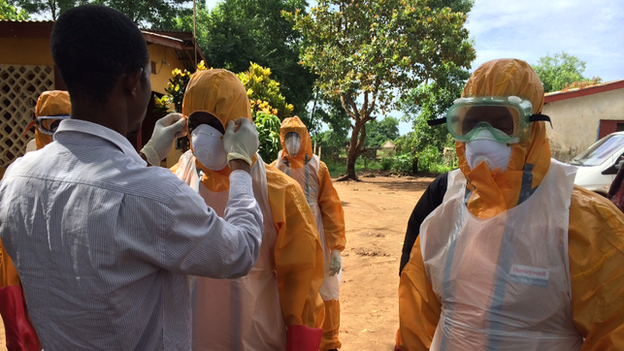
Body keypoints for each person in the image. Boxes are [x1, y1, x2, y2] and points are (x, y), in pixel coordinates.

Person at [0, 5, 264, 350]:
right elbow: (241, 250)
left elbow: (100, 201)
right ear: (133, 81)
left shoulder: (16, 179)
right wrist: (242, 165)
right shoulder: (158, 196)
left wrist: (146, 156)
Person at [396, 58, 624, 350]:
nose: (482, 136)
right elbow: (416, 315)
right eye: (471, 123)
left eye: (501, 123)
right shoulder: (443, 216)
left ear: (532, 126)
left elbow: (615, 331)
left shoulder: (586, 224)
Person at [170, 69, 325, 351]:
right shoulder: (174, 181)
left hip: (256, 339)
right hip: (187, 339)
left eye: (215, 123)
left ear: (238, 124)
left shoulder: (279, 192)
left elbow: (302, 285)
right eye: (196, 122)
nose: (203, 135)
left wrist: (302, 342)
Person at [271, 116, 346, 351]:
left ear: (304, 138)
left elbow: (331, 208)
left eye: (297, 135)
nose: (293, 141)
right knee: (293, 291)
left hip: (318, 240)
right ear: (283, 138)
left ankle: (327, 343)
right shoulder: (275, 169)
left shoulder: (318, 167)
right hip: (289, 240)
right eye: (288, 135)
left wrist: (335, 249)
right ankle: (297, 343)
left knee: (325, 291)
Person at [398, 172, 448, 276]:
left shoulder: (447, 183)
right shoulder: (446, 184)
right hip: (445, 282)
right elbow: (416, 230)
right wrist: (407, 272)